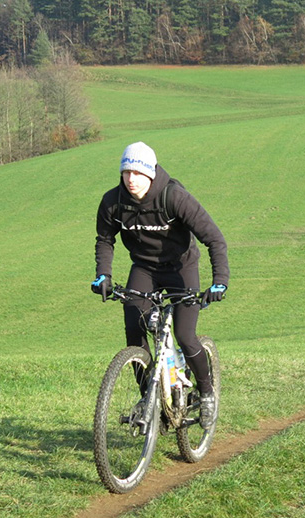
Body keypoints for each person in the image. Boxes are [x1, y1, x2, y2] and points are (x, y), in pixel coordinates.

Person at [91, 142, 229, 429]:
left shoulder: (174, 197)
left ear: (151, 173)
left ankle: (206, 394)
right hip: (144, 268)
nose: (131, 179)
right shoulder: (112, 202)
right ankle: (149, 401)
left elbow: (214, 238)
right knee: (133, 330)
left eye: (138, 173)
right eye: (126, 172)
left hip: (181, 267)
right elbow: (105, 240)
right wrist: (103, 275)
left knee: (184, 334)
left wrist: (219, 282)